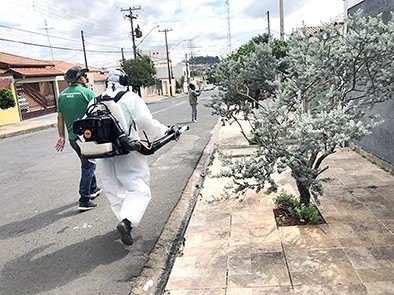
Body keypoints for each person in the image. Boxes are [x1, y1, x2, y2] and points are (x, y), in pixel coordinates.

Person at [98, 69, 169, 246]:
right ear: (125, 80)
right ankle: (127, 222)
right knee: (139, 188)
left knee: (113, 189)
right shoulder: (130, 97)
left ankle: (123, 220)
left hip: (104, 152)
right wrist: (163, 130)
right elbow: (145, 122)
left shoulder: (96, 99)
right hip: (128, 150)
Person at [55, 66, 102, 211]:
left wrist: (61, 136)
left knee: (86, 161)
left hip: (72, 138)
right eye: (84, 76)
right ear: (80, 78)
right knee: (88, 166)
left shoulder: (62, 96)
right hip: (86, 138)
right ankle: (84, 199)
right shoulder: (88, 93)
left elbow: (60, 118)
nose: (85, 78)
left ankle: (93, 188)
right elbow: (97, 114)